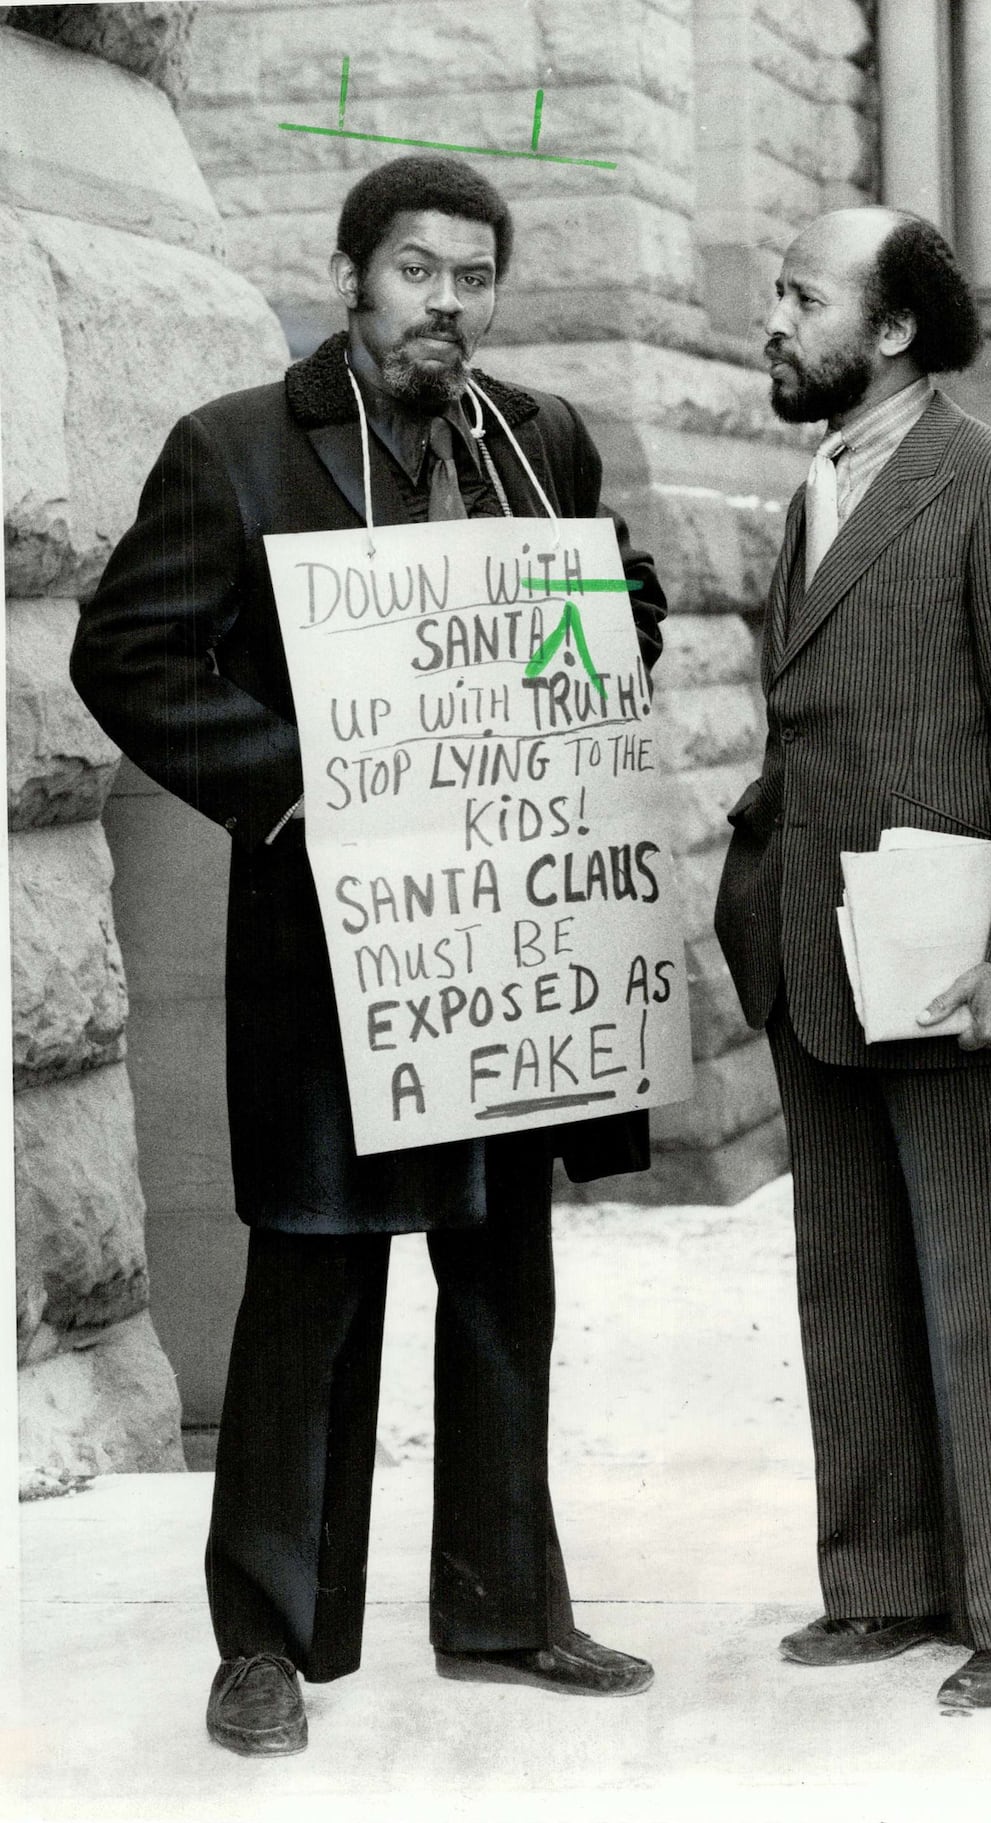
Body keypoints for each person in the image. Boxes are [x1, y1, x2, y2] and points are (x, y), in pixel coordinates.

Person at [71, 155, 666, 1756]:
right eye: (417, 272)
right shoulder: (237, 451)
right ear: (350, 279)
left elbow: (614, 613)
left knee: (501, 1275)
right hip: (336, 955)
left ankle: (504, 1609)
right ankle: (265, 1643)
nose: (447, 305)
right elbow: (123, 650)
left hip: (502, 943)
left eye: (474, 277)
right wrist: (299, 791)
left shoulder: (540, 443)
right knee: (313, 1287)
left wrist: (612, 613)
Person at [714, 207, 991, 1712]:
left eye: (800, 295)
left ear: (889, 331)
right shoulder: (817, 485)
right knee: (852, 1277)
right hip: (814, 955)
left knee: (987, 1277)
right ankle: (885, 1584)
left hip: (951, 963)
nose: (772, 315)